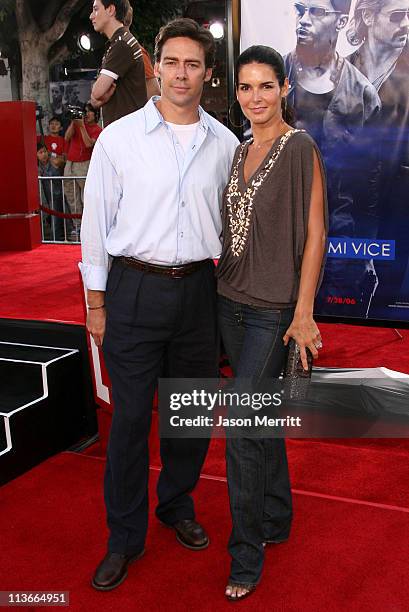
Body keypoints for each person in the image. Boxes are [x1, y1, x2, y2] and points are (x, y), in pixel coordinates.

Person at [80, 17, 238, 591]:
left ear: (206, 73)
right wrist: (95, 304)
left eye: (192, 64)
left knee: (190, 414)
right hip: (133, 290)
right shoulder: (119, 139)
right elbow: (95, 226)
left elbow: (231, 224)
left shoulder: (225, 145)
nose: (180, 73)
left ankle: (176, 504)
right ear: (157, 67)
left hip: (199, 291)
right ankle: (123, 537)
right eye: (171, 61)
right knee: (128, 422)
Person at [216, 45, 327, 600]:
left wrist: (303, 311)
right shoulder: (237, 152)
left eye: (265, 86)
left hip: (272, 310)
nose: (254, 97)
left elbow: (315, 234)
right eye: (244, 87)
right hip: (229, 302)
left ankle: (245, 555)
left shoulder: (300, 146)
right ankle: (277, 516)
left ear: (285, 87)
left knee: (240, 428)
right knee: (258, 420)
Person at [284, 0, 381, 317]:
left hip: (340, 241)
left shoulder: (364, 94)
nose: (303, 20)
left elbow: (373, 185)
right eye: (300, 10)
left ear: (341, 23)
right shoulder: (274, 78)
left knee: (336, 336)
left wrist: (366, 251)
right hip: (281, 237)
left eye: (316, 12)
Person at [348, 0, 409, 314]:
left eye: (408, 16)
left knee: (386, 308)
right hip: (341, 211)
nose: (406, 24)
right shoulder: (338, 71)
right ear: (367, 16)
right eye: (397, 16)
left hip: (397, 213)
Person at [89, 0, 159, 126]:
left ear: (111, 10)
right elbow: (95, 99)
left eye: (95, 9)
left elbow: (97, 92)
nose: (91, 16)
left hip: (129, 133)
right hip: (122, 131)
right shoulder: (116, 44)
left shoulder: (123, 44)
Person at [64, 103, 102, 237]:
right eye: (84, 111)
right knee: (71, 196)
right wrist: (74, 123)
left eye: (89, 111)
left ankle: (88, 228)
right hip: (70, 163)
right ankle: (77, 225)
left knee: (85, 197)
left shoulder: (97, 129)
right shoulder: (78, 124)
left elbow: (88, 144)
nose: (86, 114)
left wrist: (81, 127)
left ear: (96, 114)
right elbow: (67, 138)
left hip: (85, 164)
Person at [37, 143, 73, 241]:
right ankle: (54, 239)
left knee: (65, 215)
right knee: (53, 218)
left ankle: (67, 236)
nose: (44, 154)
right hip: (47, 196)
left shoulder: (53, 160)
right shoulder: (36, 167)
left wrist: (53, 155)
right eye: (40, 152)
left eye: (45, 151)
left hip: (59, 193)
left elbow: (62, 160)